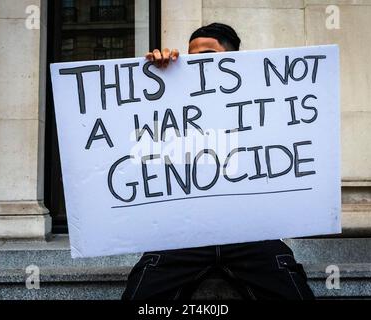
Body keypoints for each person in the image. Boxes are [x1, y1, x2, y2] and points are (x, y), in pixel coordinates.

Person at [121, 23, 315, 300]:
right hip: (186, 232)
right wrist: (155, 76)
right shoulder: (173, 98)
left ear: (233, 59)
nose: (197, 63)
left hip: (248, 232)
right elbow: (137, 127)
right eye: (191, 56)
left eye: (208, 54)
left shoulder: (262, 99)